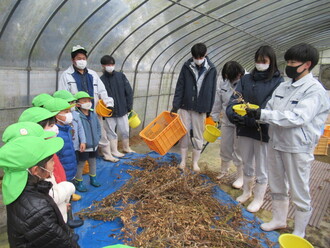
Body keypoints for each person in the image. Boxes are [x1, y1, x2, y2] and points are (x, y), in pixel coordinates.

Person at [246, 43, 330, 237]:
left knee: (299, 189)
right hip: (276, 142)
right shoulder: (284, 86)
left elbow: (298, 117)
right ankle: (278, 219)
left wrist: (265, 115)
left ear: (307, 64)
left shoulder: (314, 90)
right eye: (288, 61)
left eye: (293, 62)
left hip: (297, 147)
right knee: (277, 183)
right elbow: (271, 107)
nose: (289, 65)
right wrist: (257, 114)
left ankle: (299, 232)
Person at [226, 45, 284, 213]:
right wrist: (234, 115)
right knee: (246, 161)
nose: (260, 64)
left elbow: (271, 105)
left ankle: (258, 198)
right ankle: (246, 192)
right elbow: (235, 99)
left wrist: (256, 117)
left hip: (262, 130)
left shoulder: (277, 82)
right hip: (244, 127)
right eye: (258, 61)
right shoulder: (246, 79)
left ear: (271, 61)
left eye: (264, 61)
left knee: (262, 166)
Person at [0, 127, 79, 247]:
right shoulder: (37, 210)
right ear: (36, 170)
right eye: (51, 160)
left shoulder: (20, 188)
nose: (54, 164)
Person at [18, 108, 83, 227]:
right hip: (54, 202)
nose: (55, 128)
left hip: (59, 195)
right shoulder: (37, 159)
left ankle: (67, 222)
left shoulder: (49, 146)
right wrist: (65, 190)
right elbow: (48, 193)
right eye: (51, 125)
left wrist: (63, 201)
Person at [58, 45, 118, 162]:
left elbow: (102, 90)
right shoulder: (66, 75)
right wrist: (67, 111)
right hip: (77, 112)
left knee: (100, 131)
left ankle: (106, 154)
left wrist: (109, 103)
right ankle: (80, 159)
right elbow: (63, 95)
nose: (81, 60)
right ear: (73, 60)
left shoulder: (92, 74)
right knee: (79, 135)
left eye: (83, 58)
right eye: (78, 58)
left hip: (93, 110)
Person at [171, 43, 217, 172]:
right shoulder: (186, 66)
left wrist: (209, 110)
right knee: (183, 133)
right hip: (186, 105)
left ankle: (195, 163)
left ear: (205, 54)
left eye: (201, 56)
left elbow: (211, 90)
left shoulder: (211, 68)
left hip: (200, 107)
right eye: (196, 57)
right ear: (192, 56)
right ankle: (183, 161)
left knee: (198, 135)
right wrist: (176, 105)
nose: (198, 59)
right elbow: (180, 86)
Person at [210, 61, 245, 188]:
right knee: (225, 146)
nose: (230, 79)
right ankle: (223, 171)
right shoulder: (224, 83)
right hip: (226, 120)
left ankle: (240, 176)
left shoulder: (246, 81)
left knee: (238, 150)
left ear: (239, 74)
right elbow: (217, 101)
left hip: (241, 122)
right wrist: (214, 118)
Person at [100, 55, 135, 156]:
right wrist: (103, 112)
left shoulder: (121, 76)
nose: (110, 66)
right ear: (103, 66)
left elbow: (128, 91)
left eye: (111, 64)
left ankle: (126, 147)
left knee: (125, 129)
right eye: (107, 64)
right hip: (109, 112)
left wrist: (129, 106)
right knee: (111, 131)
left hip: (122, 109)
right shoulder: (101, 80)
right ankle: (114, 150)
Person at [43, 98, 77, 182]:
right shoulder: (54, 133)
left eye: (69, 111)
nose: (69, 114)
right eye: (65, 112)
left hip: (70, 170)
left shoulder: (67, 129)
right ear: (56, 115)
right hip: (61, 174)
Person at [73, 91, 102, 192]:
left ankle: (93, 179)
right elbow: (77, 131)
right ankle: (79, 181)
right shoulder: (77, 116)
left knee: (93, 162)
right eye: (84, 101)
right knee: (81, 164)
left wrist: (98, 137)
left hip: (94, 144)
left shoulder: (93, 114)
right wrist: (82, 142)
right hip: (84, 146)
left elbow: (98, 127)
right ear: (78, 104)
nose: (88, 102)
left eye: (89, 100)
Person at [53, 90, 87, 157]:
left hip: (75, 146)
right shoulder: (57, 120)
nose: (71, 104)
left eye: (72, 102)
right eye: (69, 102)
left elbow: (80, 128)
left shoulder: (75, 114)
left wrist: (83, 141)